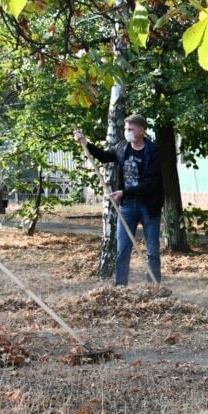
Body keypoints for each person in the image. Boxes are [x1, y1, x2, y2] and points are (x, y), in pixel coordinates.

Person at [74, 115, 164, 286]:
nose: (127, 132)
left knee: (152, 250)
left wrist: (124, 191)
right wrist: (85, 143)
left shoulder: (153, 151)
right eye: (125, 129)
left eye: (130, 129)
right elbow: (104, 156)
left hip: (149, 206)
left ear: (141, 130)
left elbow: (150, 183)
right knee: (122, 249)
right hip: (127, 207)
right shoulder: (122, 147)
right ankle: (120, 287)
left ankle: (154, 287)